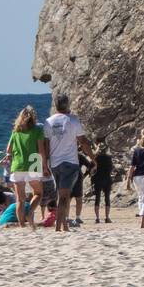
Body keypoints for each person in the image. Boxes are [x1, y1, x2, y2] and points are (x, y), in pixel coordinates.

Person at [42, 93, 95, 233]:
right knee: (64, 196)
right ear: (68, 104)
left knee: (62, 195)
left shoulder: (48, 122)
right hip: (70, 163)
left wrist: (45, 164)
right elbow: (83, 142)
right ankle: (59, 228)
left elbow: (46, 146)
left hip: (55, 164)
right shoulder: (73, 120)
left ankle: (63, 226)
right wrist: (93, 158)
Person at [6, 105, 48, 228]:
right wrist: (45, 167)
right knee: (38, 193)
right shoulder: (37, 130)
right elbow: (41, 151)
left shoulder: (15, 131)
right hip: (33, 164)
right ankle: (30, 213)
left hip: (17, 165)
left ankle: (21, 225)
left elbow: (8, 150)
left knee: (20, 199)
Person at [92, 143, 114, 224]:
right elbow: (111, 168)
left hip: (97, 179)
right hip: (107, 179)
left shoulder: (95, 158)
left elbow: (91, 169)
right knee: (107, 198)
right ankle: (107, 217)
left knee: (97, 198)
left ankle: (97, 218)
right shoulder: (109, 158)